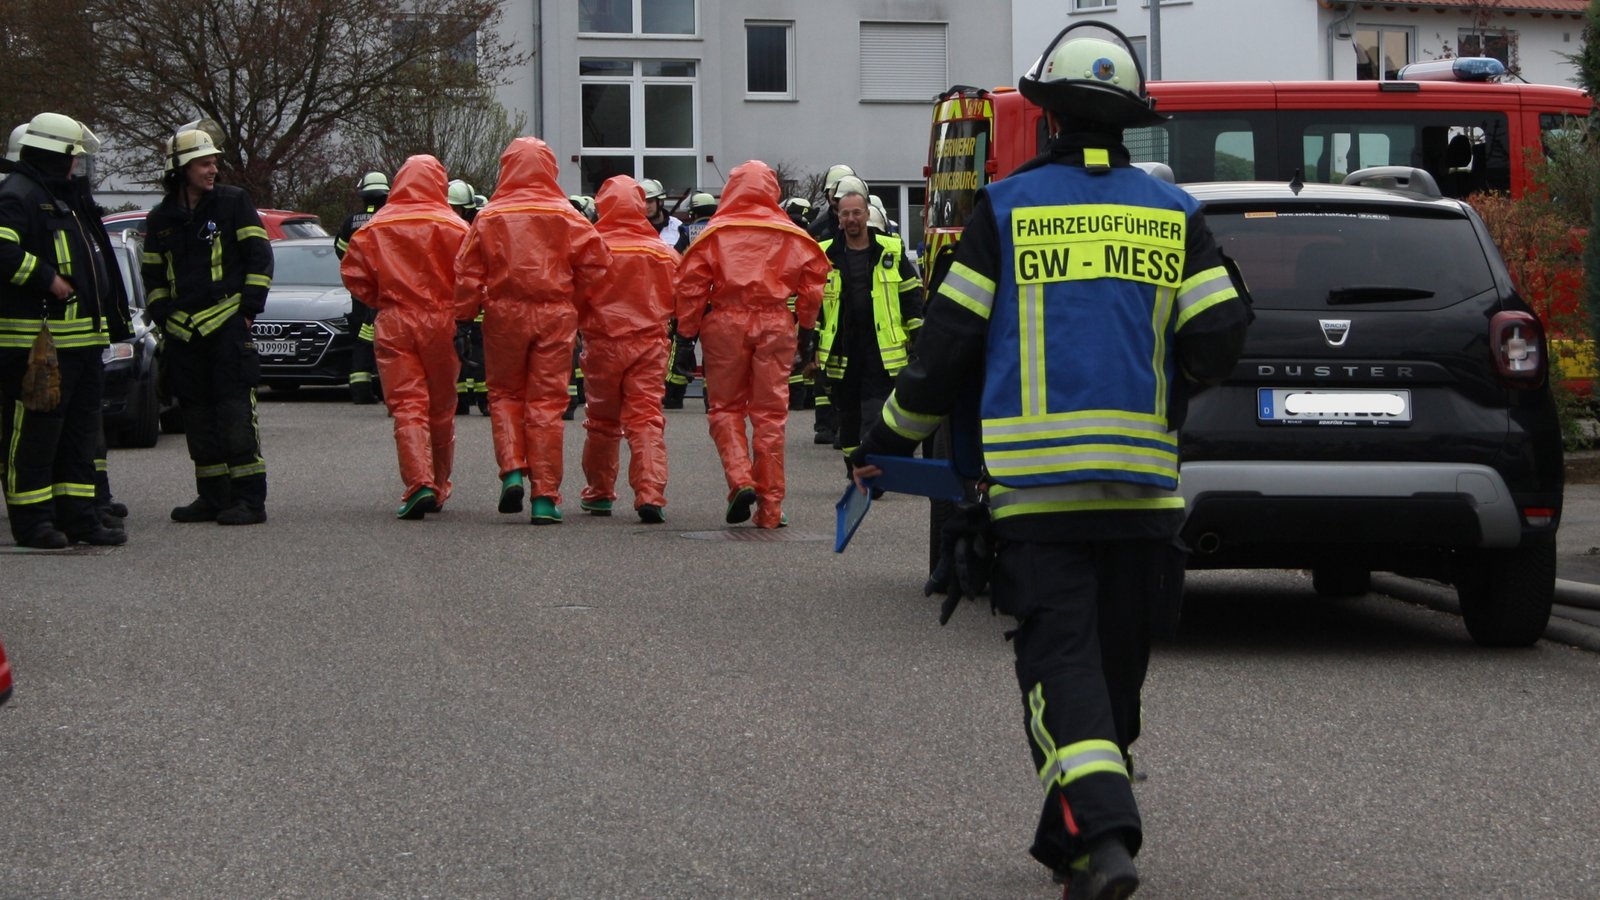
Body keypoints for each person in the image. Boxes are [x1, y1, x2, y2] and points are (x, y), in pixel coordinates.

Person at [851, 23, 1251, 899]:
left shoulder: (1005, 210)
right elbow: (1222, 336)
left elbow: (945, 351)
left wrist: (885, 440)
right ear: (1130, 120)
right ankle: (1077, 845)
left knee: (1063, 669)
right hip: (1142, 495)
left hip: (1039, 498)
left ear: (1048, 116)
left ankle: (1102, 839)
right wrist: (1164, 387)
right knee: (1112, 678)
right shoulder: (1174, 214)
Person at [456, 137, 610, 524]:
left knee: (505, 394)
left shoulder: (489, 215)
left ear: (506, 167)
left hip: (503, 313)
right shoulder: (568, 214)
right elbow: (597, 265)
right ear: (550, 168)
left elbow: (467, 273)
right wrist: (572, 304)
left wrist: (464, 317)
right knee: (547, 404)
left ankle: (511, 469)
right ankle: (545, 497)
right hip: (554, 313)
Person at [675, 161, 829, 529]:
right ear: (773, 191)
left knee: (725, 408)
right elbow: (813, 287)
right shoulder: (791, 234)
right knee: (770, 416)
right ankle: (770, 509)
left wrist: (685, 339)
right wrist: (806, 334)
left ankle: (740, 478)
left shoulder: (715, 233)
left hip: (726, 323)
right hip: (776, 323)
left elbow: (691, 287)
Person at [0, 113, 128, 547]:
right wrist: (47, 278)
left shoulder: (58, 198)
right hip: (37, 347)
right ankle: (33, 524)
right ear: (55, 154)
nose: (78, 165)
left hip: (81, 343)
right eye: (74, 156)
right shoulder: (17, 195)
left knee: (78, 439)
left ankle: (80, 519)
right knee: (35, 439)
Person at [144, 122, 275, 526]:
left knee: (235, 415)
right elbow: (153, 275)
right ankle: (213, 497)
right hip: (184, 334)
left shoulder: (233, 202)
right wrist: (164, 316)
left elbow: (259, 257)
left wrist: (247, 311)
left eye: (214, 162)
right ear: (181, 168)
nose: (213, 169)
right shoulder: (161, 218)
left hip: (226, 327)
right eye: (204, 163)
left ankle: (249, 500)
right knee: (198, 418)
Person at [339, 155, 468, 520]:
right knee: (440, 408)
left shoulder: (377, 225)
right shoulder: (455, 225)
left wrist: (382, 299)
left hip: (395, 319)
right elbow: (473, 273)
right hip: (442, 320)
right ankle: (438, 485)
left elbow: (353, 273)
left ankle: (418, 484)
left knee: (408, 405)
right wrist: (461, 309)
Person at [578, 175, 680, 524]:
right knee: (646, 418)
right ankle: (650, 493)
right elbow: (682, 296)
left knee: (602, 421)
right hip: (649, 344)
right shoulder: (662, 252)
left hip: (602, 343)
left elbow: (575, 295)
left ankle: (599, 492)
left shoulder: (591, 249)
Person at [814, 191, 923, 471]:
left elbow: (911, 295)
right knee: (848, 415)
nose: (851, 218)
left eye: (856, 212)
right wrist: (810, 346)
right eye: (845, 213)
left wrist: (919, 337)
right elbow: (813, 304)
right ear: (838, 218)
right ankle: (854, 468)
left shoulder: (891, 250)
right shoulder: (824, 253)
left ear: (867, 214)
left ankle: (874, 468)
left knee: (877, 411)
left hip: (881, 348)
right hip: (842, 347)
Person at [335, 171, 390, 404]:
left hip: (360, 291)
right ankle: (387, 390)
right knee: (389, 339)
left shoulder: (351, 222)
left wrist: (357, 270)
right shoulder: (390, 217)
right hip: (386, 289)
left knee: (361, 338)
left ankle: (360, 390)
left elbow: (340, 250)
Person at [664, 191, 719, 409]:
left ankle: (673, 396)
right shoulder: (722, 230)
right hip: (717, 300)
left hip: (691, 298)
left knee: (681, 345)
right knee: (714, 352)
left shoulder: (687, 232)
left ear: (693, 212)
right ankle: (710, 399)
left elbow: (676, 259)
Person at [447, 179, 487, 415]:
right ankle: (476, 399)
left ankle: (468, 399)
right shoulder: (468, 230)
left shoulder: (462, 230)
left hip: (465, 302)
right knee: (471, 351)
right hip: (469, 302)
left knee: (470, 350)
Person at [807, 163, 857, 241]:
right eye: (834, 191)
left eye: (844, 191)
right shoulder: (815, 229)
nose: (838, 196)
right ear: (826, 194)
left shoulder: (867, 223)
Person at [639, 178, 682, 248]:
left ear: (660, 202)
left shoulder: (677, 226)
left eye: (650, 201)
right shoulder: (636, 229)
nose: (646, 206)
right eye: (643, 202)